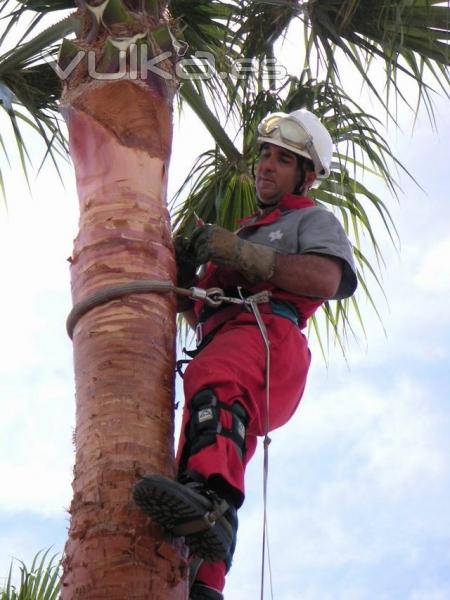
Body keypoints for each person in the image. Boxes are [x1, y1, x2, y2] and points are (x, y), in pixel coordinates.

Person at [133, 109, 358, 599]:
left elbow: (327, 279)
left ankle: (214, 507)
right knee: (197, 446)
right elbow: (203, 312)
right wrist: (180, 278)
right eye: (264, 154)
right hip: (230, 340)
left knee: (215, 389)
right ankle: (203, 583)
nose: (266, 166)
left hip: (269, 336)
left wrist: (242, 254)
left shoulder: (309, 219)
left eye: (283, 159)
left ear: (308, 173)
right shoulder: (248, 227)